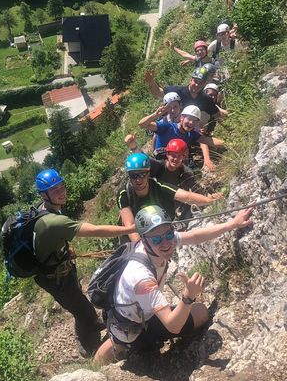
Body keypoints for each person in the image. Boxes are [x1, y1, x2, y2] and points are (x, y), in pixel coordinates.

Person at [93, 204, 254, 364]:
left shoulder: (157, 242)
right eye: (157, 239)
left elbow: (194, 236)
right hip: (130, 328)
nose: (166, 243)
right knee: (121, 341)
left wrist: (231, 224)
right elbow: (173, 326)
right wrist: (188, 296)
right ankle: (101, 365)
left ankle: (128, 349)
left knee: (201, 312)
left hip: (141, 316)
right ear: (144, 240)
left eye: (169, 235)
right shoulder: (141, 278)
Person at [32, 168, 137, 356]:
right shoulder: (52, 221)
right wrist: (128, 229)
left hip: (58, 269)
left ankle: (91, 324)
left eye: (61, 186)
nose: (61, 191)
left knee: (78, 300)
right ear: (44, 195)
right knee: (83, 310)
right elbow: (95, 230)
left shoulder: (44, 209)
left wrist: (62, 250)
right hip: (54, 278)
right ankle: (86, 346)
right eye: (55, 190)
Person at [118, 153, 223, 243]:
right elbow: (130, 226)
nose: (138, 180)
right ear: (129, 175)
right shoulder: (124, 193)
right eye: (133, 175)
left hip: (156, 232)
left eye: (142, 174)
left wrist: (210, 201)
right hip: (133, 240)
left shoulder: (158, 186)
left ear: (148, 173)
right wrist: (141, 248)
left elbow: (187, 197)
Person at [138, 105, 225, 170]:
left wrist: (228, 143)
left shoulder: (191, 134)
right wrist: (155, 115)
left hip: (176, 165)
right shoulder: (167, 127)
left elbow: (207, 140)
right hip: (160, 165)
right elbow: (142, 124)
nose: (191, 123)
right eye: (189, 119)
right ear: (181, 118)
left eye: (195, 121)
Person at [144, 67, 228, 122]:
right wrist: (151, 83)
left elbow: (217, 114)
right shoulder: (177, 90)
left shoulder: (205, 99)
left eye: (201, 83)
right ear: (190, 80)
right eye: (195, 81)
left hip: (191, 129)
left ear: (204, 84)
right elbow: (158, 93)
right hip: (172, 124)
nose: (197, 85)